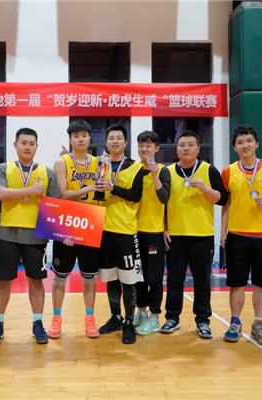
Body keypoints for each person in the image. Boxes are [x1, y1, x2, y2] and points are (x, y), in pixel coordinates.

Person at [0, 128, 60, 346]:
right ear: (15, 145)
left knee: (36, 281)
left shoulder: (47, 172)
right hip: (7, 234)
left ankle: (37, 323)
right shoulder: (4, 168)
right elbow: (1, 194)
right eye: (23, 143)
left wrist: (61, 233)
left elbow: (55, 205)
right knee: (4, 281)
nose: (27, 147)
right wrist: (31, 191)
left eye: (31, 143)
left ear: (37, 146)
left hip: (36, 236)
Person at [221, 124, 262, 346]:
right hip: (237, 235)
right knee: (237, 283)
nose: (245, 145)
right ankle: (235, 323)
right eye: (240, 142)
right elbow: (226, 204)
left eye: (249, 141)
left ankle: (258, 324)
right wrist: (223, 232)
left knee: (261, 283)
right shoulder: (228, 171)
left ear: (257, 144)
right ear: (235, 147)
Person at [160, 131, 227, 339]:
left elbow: (223, 199)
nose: (186, 148)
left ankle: (203, 320)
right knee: (174, 280)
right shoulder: (167, 171)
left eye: (190, 145)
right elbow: (162, 204)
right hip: (175, 235)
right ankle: (172, 317)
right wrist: (164, 228)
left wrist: (206, 189)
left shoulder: (209, 170)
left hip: (202, 235)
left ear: (198, 149)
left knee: (202, 281)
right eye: (182, 145)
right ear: (177, 149)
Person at [48, 121, 102, 340]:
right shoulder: (62, 162)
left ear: (90, 138)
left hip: (90, 222)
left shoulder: (99, 163)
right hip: (66, 221)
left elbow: (102, 194)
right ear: (70, 139)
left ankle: (90, 318)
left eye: (84, 135)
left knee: (89, 276)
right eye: (76, 135)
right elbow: (62, 194)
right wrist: (65, 231)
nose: (80, 139)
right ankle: (56, 317)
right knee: (61, 276)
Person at [96, 125, 144, 345]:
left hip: (125, 230)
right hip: (103, 229)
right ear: (106, 142)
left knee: (129, 280)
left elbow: (136, 195)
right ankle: (115, 317)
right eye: (111, 138)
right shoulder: (100, 165)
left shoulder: (136, 167)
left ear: (125, 142)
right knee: (110, 277)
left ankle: (129, 321)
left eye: (119, 138)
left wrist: (112, 187)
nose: (114, 141)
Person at [132, 131, 171, 335]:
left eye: (148, 145)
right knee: (137, 276)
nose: (144, 149)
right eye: (141, 145)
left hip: (154, 232)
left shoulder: (163, 171)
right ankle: (140, 311)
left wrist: (155, 177)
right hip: (132, 230)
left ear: (156, 148)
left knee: (154, 278)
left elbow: (164, 198)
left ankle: (154, 316)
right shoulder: (133, 169)